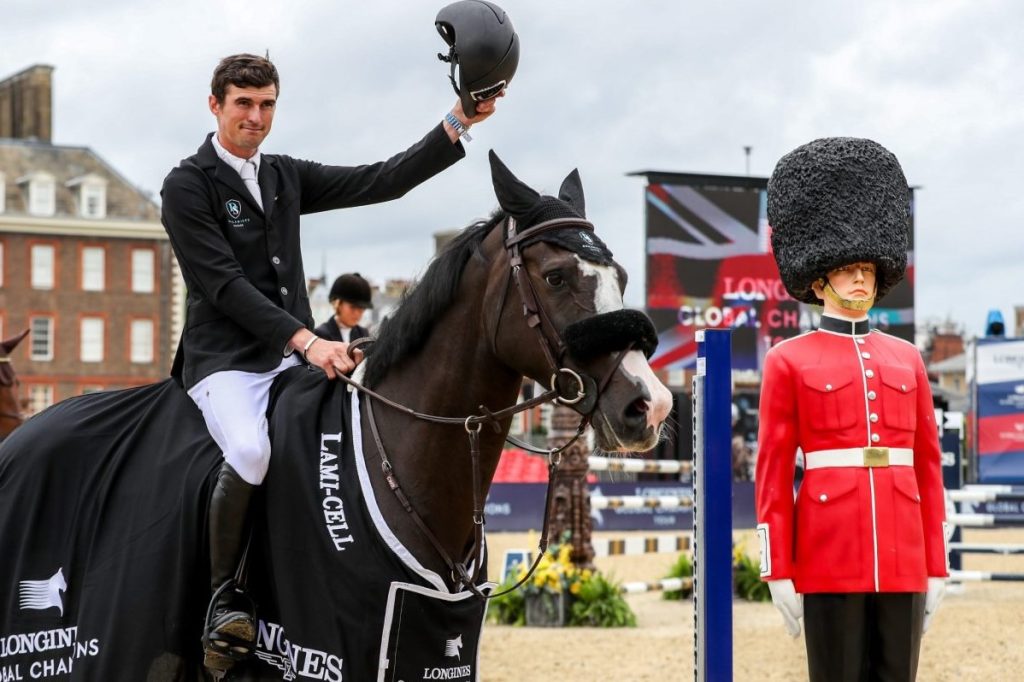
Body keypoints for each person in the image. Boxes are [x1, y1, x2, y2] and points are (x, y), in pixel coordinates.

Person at [161, 45, 508, 673]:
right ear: (215, 106)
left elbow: (384, 179)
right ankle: (222, 601)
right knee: (251, 452)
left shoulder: (283, 175)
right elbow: (223, 286)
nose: (256, 118)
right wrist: (308, 340)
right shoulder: (186, 185)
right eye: (243, 105)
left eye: (267, 106)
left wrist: (459, 120)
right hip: (227, 363)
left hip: (288, 358)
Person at [755, 137, 948, 681]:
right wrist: (777, 571)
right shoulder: (787, 361)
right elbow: (771, 475)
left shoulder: (907, 358)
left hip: (905, 553)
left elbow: (928, 469)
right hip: (827, 554)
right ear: (818, 279)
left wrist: (937, 563)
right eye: (846, 268)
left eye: (867, 267)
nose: (861, 278)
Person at [315, 273, 372, 343]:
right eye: (353, 307)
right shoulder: (320, 334)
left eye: (362, 308)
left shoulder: (363, 334)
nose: (357, 313)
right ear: (337, 303)